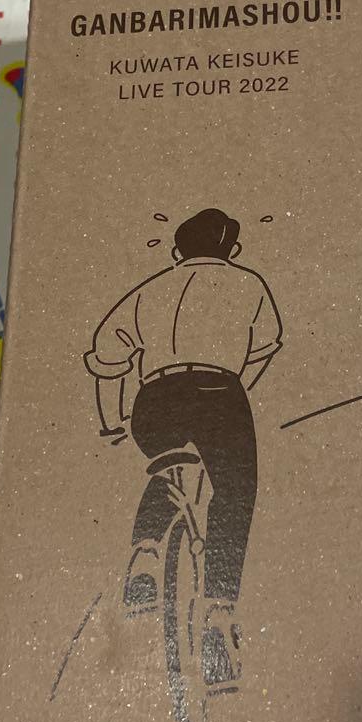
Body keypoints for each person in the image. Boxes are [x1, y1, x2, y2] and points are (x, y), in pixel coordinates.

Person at [84, 208, 282, 684]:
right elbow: (265, 347)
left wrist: (111, 423)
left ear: (176, 252)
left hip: (154, 402)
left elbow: (107, 359)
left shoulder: (150, 289)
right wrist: (237, 389)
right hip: (221, 394)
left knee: (166, 465)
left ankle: (146, 554)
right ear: (233, 251)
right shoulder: (250, 284)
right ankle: (219, 614)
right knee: (233, 492)